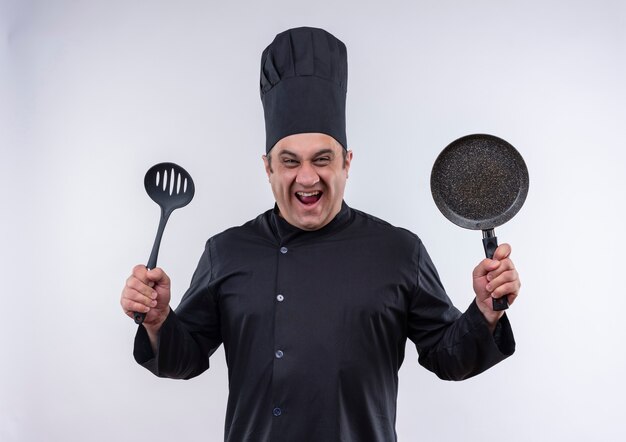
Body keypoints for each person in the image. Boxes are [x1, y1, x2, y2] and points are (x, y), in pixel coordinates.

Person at [121, 27, 520, 442]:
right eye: (289, 160)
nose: (306, 177)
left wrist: (485, 310)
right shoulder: (227, 251)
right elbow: (182, 360)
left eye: (322, 159)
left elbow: (447, 357)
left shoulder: (399, 251)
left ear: (347, 163)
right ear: (268, 167)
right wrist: (158, 320)